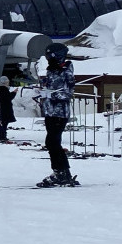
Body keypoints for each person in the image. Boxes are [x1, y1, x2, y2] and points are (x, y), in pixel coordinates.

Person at [38, 44, 79, 187]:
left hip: (60, 112)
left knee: (52, 142)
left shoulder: (66, 71)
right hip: (50, 111)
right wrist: (43, 91)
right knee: (53, 143)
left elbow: (68, 93)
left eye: (50, 56)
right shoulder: (51, 71)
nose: (49, 59)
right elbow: (50, 86)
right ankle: (64, 172)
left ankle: (59, 172)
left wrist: (52, 94)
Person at [0, 76, 16, 143]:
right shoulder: (3, 89)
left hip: (2, 105)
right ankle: (2, 136)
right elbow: (8, 98)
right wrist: (14, 93)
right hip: (4, 106)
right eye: (7, 81)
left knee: (4, 121)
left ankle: (3, 135)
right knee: (4, 121)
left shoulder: (1, 88)